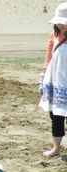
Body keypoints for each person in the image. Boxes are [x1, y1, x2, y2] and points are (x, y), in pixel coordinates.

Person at [39, 2, 67, 157]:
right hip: (55, 81)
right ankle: (56, 148)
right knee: (56, 115)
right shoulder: (53, 35)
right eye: (59, 23)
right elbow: (47, 59)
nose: (61, 26)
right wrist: (42, 78)